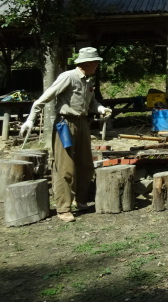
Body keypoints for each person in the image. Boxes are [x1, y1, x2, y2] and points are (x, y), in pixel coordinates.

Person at [19, 47, 111, 222]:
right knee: (65, 167)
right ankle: (63, 208)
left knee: (85, 165)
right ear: (87, 63)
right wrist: (31, 118)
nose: (98, 66)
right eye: (96, 63)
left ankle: (81, 200)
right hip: (65, 124)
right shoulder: (68, 77)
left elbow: (92, 103)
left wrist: (100, 109)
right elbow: (45, 97)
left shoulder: (88, 81)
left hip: (83, 123)